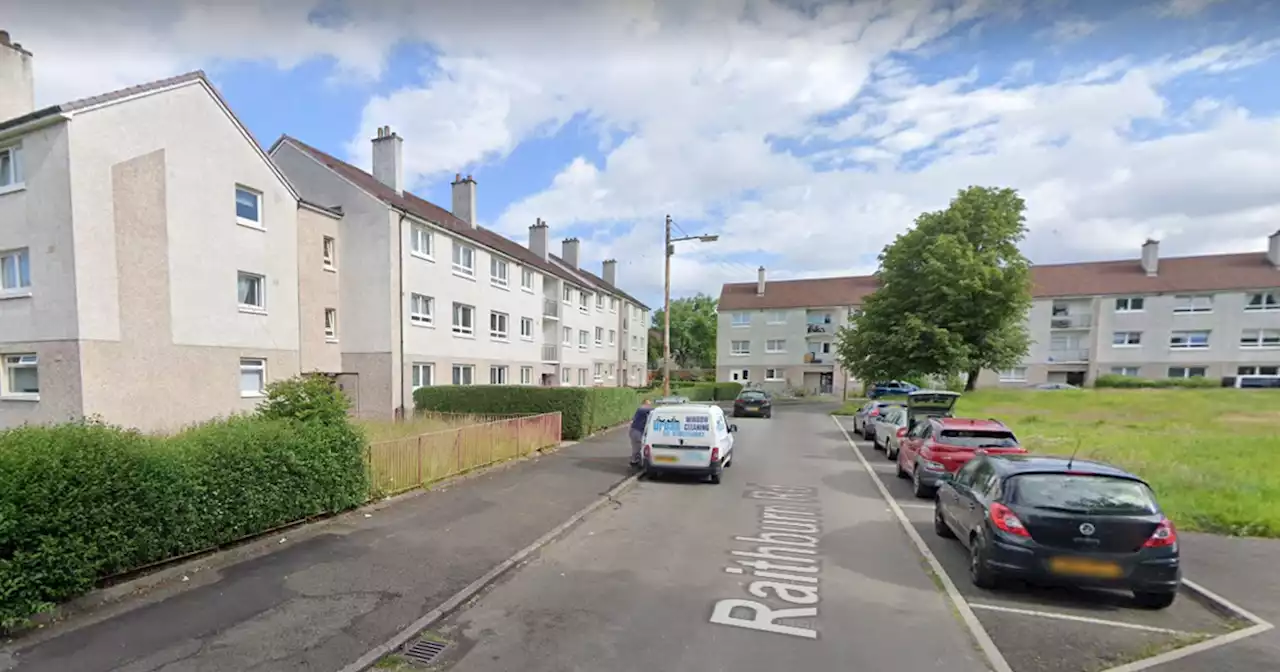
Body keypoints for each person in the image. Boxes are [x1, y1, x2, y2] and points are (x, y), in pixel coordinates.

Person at [629, 398, 654, 468]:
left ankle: (635, 461)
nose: (649, 406)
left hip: (637, 430)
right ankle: (634, 462)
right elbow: (652, 410)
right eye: (648, 404)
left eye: (650, 404)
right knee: (638, 447)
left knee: (637, 447)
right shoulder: (641, 409)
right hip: (636, 431)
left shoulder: (644, 411)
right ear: (644, 404)